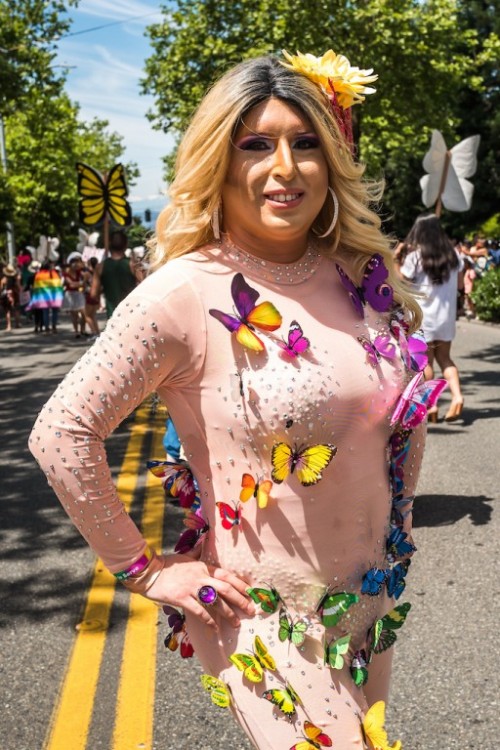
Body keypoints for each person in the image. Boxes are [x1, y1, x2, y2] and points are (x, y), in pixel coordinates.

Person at [30, 51, 432, 749]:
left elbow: (397, 428)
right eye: (257, 144)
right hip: (267, 622)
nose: (285, 168)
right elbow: (62, 433)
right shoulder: (182, 293)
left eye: (305, 143)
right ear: (219, 159)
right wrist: (146, 568)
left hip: (368, 609)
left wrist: (393, 539)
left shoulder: (361, 274)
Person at [398, 213, 464, 421]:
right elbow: (461, 286)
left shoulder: (415, 257)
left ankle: (432, 406)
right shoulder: (454, 256)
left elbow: (402, 284)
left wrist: (394, 260)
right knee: (446, 359)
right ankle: (457, 397)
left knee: (426, 363)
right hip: (446, 318)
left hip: (424, 318)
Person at [90, 230, 139, 317]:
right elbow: (145, 288)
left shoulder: (100, 267)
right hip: (133, 315)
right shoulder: (133, 265)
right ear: (126, 245)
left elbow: (93, 294)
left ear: (109, 245)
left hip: (113, 316)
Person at [28, 259, 64, 333]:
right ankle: (54, 327)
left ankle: (47, 328)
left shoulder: (39, 275)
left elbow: (36, 287)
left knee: (45, 312)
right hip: (54, 297)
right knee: (55, 312)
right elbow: (59, 286)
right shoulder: (54, 274)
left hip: (43, 297)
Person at [63, 252, 87, 338]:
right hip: (70, 295)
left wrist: (80, 283)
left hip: (79, 294)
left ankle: (83, 330)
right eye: (74, 262)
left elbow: (83, 283)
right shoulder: (66, 273)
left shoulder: (80, 272)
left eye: (77, 262)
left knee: (84, 314)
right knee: (74, 315)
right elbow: (71, 284)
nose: (76, 264)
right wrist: (80, 283)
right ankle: (76, 331)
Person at [1, 263, 21, 331]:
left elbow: (1, 287)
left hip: (6, 294)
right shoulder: (14, 277)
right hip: (14, 293)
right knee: (16, 308)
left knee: (7, 310)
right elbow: (18, 286)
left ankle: (9, 325)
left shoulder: (3, 278)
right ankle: (17, 323)